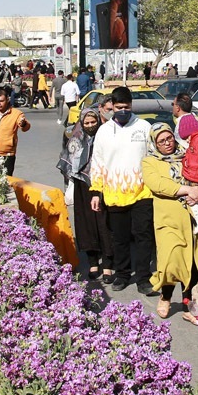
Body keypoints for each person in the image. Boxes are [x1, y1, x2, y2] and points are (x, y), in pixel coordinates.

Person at [89, 86, 157, 296]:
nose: (122, 111)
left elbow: (154, 158)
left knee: (143, 236)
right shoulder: (104, 131)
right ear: (112, 108)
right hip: (114, 193)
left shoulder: (144, 127)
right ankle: (123, 274)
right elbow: (97, 162)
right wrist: (95, 191)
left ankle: (144, 278)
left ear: (131, 106)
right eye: (118, 107)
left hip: (142, 192)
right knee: (119, 237)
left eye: (126, 107)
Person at [142, 123, 198, 321]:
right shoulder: (149, 161)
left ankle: (187, 306)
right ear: (155, 143)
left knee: (192, 264)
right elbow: (158, 184)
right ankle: (165, 297)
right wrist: (187, 190)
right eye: (161, 141)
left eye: (169, 138)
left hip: (194, 219)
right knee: (171, 261)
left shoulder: (188, 155)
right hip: (168, 220)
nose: (167, 144)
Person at [57, 107, 113, 281]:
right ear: (81, 122)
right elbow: (67, 163)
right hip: (82, 186)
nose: (90, 125)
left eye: (93, 122)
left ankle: (108, 266)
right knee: (86, 225)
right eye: (86, 122)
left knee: (104, 224)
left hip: (104, 184)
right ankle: (93, 262)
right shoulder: (76, 139)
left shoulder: (105, 138)